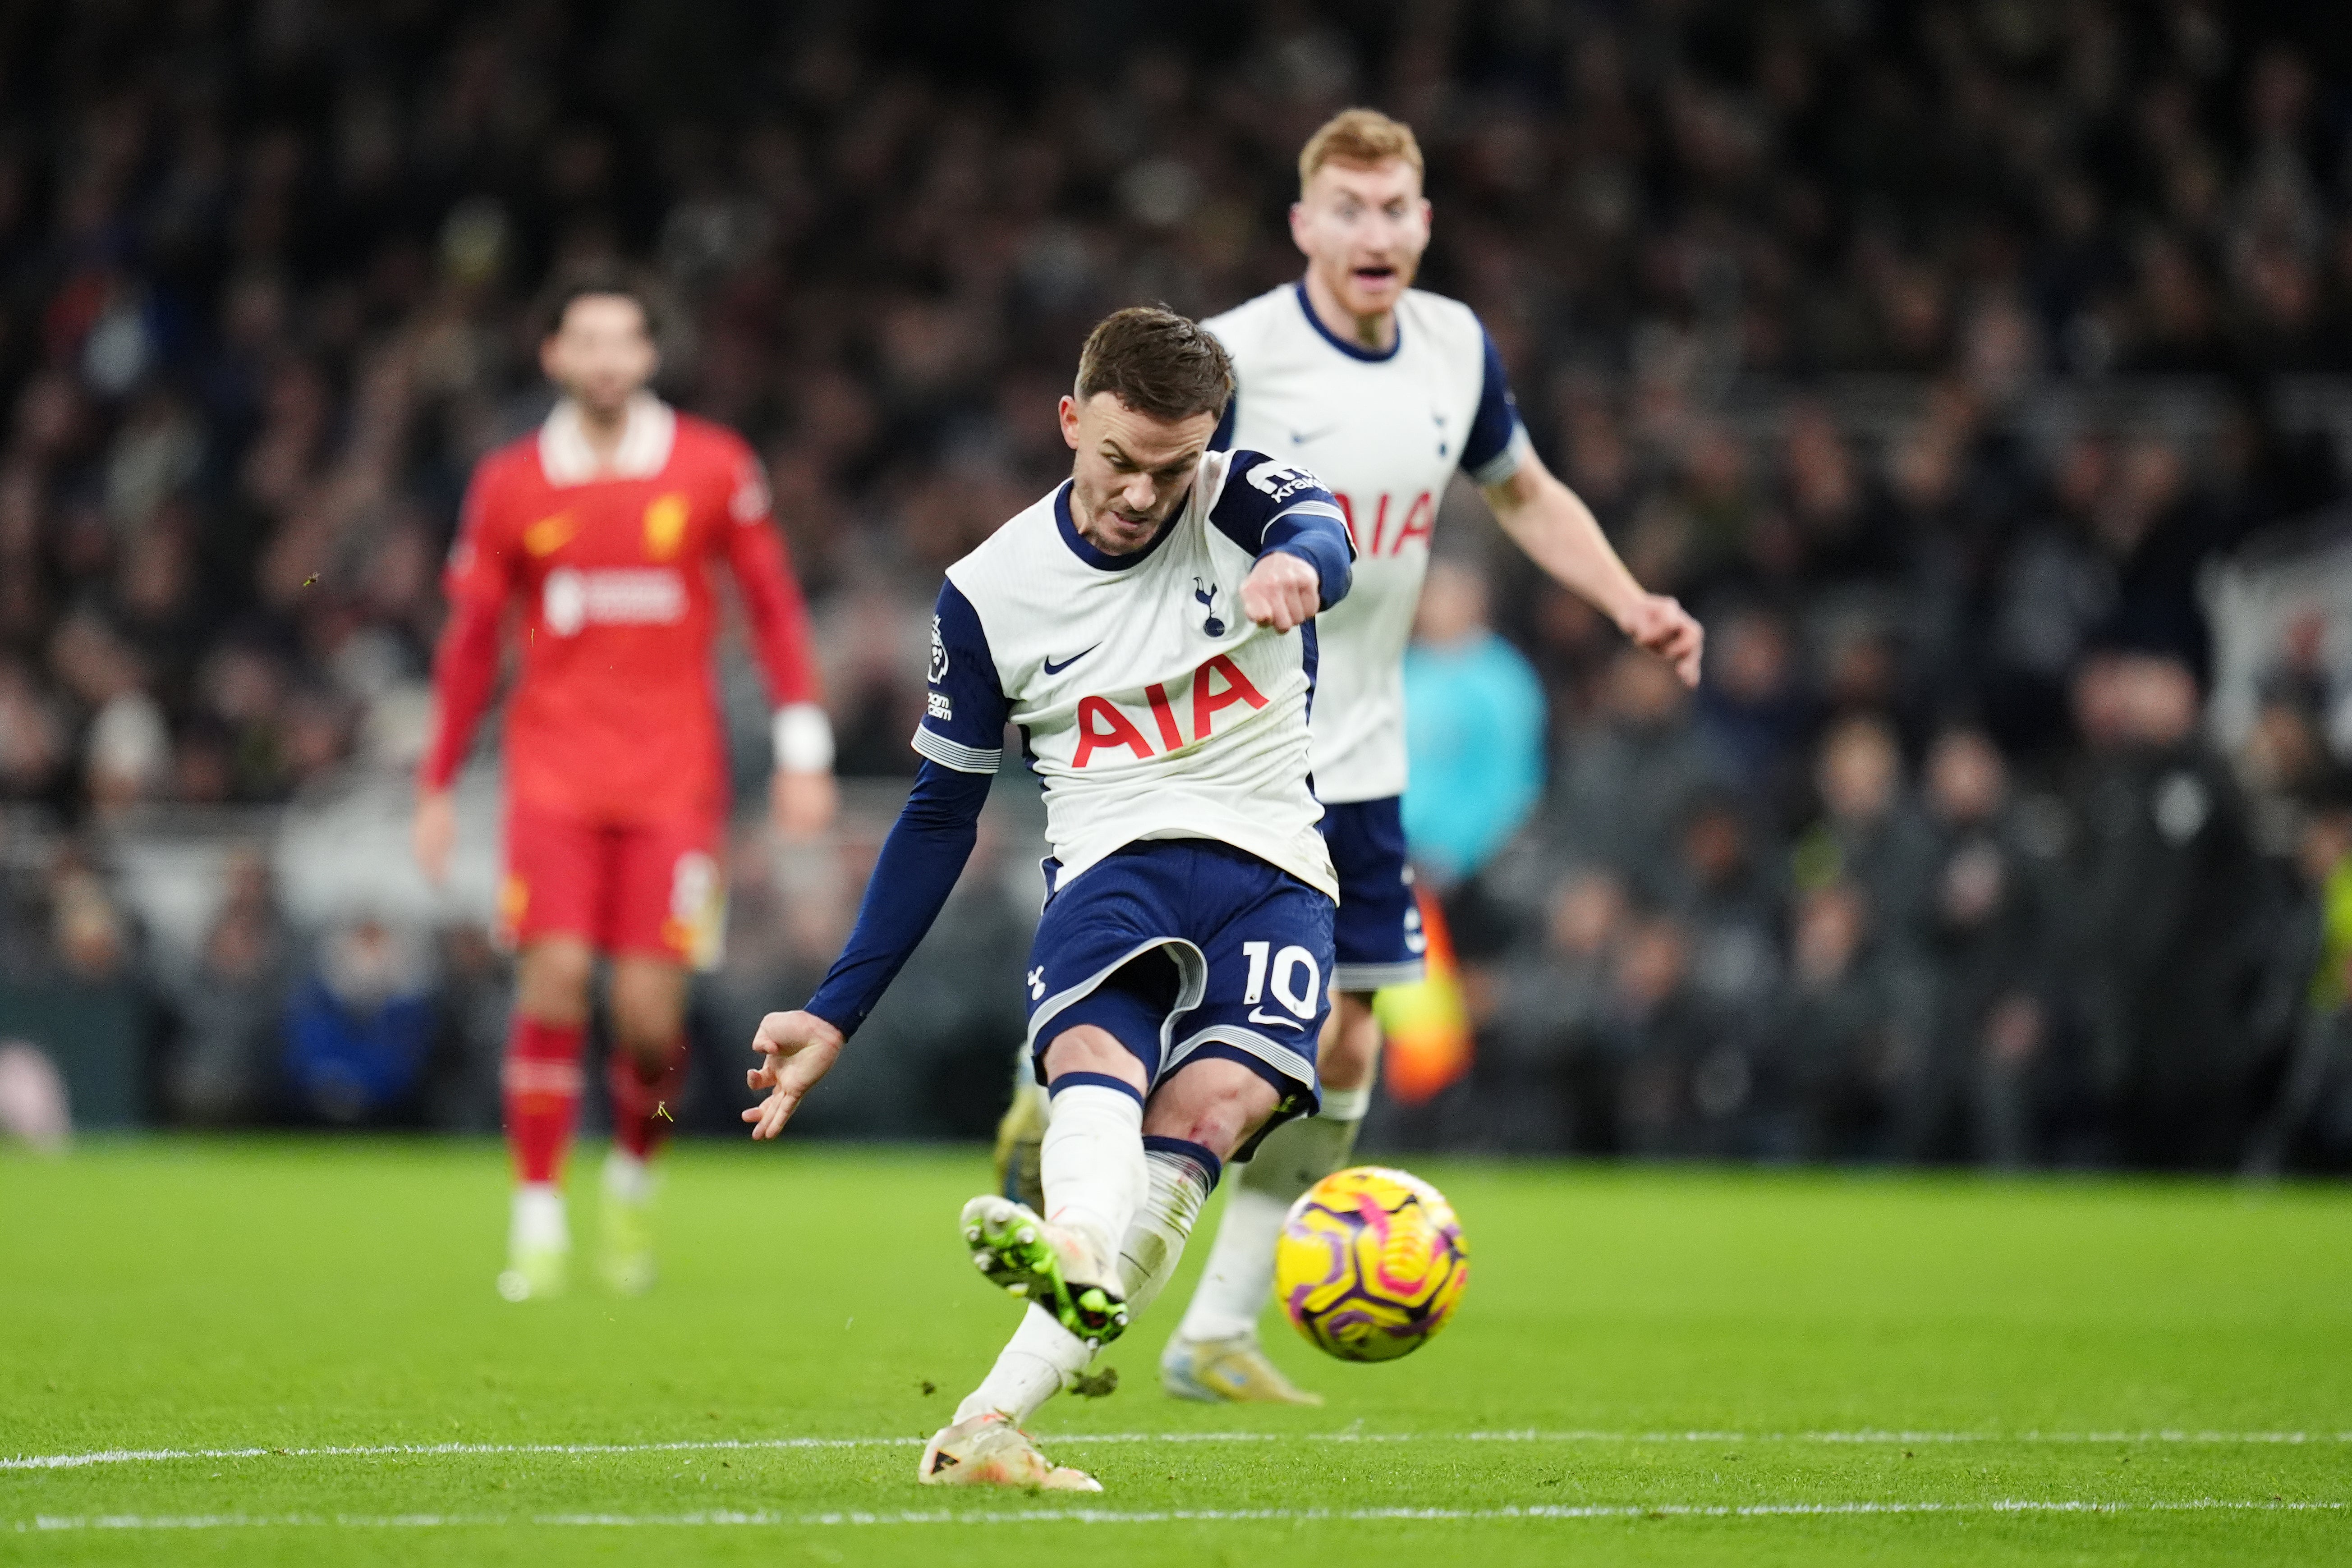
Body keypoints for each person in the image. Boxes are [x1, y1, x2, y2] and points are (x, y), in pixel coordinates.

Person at [738, 307, 1354, 1491]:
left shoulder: (1238, 497)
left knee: (1215, 1112)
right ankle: (1072, 1233)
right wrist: (836, 1008)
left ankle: (985, 1420)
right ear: (1071, 422)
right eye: (1118, 458)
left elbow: (1321, 531)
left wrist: (1297, 563)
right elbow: (937, 813)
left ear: (1209, 444)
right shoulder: (990, 593)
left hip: (1275, 868)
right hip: (1113, 859)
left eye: (1170, 467)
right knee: (1095, 1064)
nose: (1140, 492)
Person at [1148, 107, 1701, 1404]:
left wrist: (1629, 600)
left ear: (1424, 223)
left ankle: (1216, 1324)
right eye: (1348, 209)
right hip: (1231, 746)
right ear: (1304, 227)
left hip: (1364, 757)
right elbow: (1130, 511)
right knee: (1220, 1025)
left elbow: (1525, 493)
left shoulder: (1456, 346)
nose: (1374, 231)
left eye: (1395, 208)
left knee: (1343, 1040)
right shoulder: (1236, 355)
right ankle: (1076, 1165)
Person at [413, 267, 835, 1302]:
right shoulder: (511, 481)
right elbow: (473, 641)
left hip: (674, 784)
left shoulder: (710, 465)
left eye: (624, 342)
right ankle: (538, 1216)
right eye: (585, 341)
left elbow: (774, 607)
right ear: (553, 354)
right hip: (551, 775)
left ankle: (636, 1172)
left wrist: (803, 748)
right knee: (552, 984)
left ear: (648, 357)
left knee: (651, 1022)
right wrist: (436, 778)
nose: (606, 360)